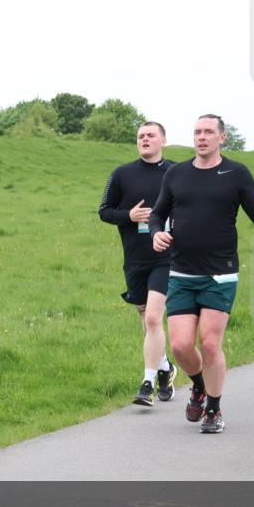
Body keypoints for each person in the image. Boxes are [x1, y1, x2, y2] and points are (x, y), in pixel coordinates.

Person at [149, 114, 254, 433]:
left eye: (209, 132)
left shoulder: (237, 173)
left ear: (222, 137)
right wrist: (156, 233)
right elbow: (157, 214)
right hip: (181, 272)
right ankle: (199, 386)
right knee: (180, 346)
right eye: (197, 132)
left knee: (210, 345)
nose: (201, 137)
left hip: (220, 275)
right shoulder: (176, 174)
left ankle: (213, 408)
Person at [99, 122, 177, 407]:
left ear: (163, 140)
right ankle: (165, 367)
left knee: (154, 318)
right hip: (135, 258)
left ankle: (147, 384)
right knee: (146, 320)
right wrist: (128, 216)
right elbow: (104, 211)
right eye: (141, 136)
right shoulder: (122, 174)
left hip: (167, 257)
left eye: (151, 135)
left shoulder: (177, 172)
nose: (145, 139)